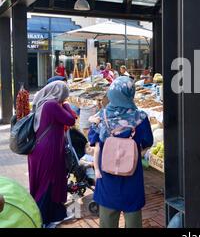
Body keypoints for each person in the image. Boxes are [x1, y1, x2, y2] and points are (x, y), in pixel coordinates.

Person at [88, 76, 153, 228]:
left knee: (107, 218)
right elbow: (148, 142)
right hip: (132, 173)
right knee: (133, 217)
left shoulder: (101, 116)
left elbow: (92, 138)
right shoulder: (140, 117)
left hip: (107, 174)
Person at [28, 81, 76, 228]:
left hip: (41, 149)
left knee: (50, 182)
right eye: (64, 96)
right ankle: (41, 219)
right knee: (48, 184)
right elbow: (71, 119)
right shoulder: (52, 105)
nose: (64, 99)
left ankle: (56, 214)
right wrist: (66, 105)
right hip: (49, 150)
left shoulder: (43, 102)